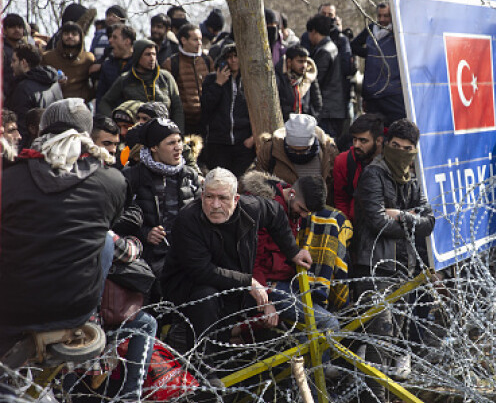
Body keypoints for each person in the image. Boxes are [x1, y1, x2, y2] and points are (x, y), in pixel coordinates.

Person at [160, 167, 312, 382]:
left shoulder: (251, 208)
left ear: (236, 199)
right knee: (207, 296)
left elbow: (277, 215)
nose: (215, 205)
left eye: (222, 198)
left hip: (233, 286)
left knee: (272, 321)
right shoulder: (189, 220)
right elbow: (202, 270)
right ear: (201, 195)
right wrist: (248, 282)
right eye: (209, 197)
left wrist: (293, 251)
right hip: (190, 289)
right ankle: (205, 368)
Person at [0, 99, 126, 357]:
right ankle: (93, 320)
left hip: (13, 306)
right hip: (76, 307)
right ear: (86, 134)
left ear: (42, 131)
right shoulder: (112, 180)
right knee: (104, 241)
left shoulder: (9, 178)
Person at [352, 118, 435, 401]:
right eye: (395, 146)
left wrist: (400, 215)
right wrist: (413, 220)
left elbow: (430, 222)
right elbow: (376, 222)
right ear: (386, 145)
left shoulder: (412, 178)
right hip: (373, 267)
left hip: (403, 267)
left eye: (407, 148)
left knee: (391, 339)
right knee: (380, 337)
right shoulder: (373, 175)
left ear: (414, 150)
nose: (400, 151)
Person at [241, 173, 341, 339]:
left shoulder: (291, 205)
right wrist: (266, 301)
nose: (303, 216)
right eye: (302, 210)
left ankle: (308, 366)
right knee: (329, 323)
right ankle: (324, 366)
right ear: (292, 193)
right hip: (266, 286)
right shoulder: (263, 208)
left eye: (308, 213)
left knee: (306, 337)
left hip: (286, 281)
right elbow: (251, 259)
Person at [123, 118, 201, 302]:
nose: (178, 147)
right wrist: (145, 233)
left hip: (185, 255)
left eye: (179, 141)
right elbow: (116, 219)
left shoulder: (190, 176)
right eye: (171, 143)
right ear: (154, 148)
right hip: (145, 258)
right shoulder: (131, 177)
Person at [98, 39, 185, 131]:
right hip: (136, 134)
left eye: (154, 54)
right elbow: (105, 102)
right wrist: (115, 122)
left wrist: (178, 132)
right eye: (147, 54)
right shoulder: (125, 79)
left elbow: (177, 107)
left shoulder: (166, 77)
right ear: (138, 56)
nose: (152, 58)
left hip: (163, 133)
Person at [201, 43, 255, 176]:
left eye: (236, 56)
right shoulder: (212, 79)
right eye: (229, 57)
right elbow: (206, 107)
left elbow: (260, 111)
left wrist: (253, 138)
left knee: (240, 184)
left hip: (243, 143)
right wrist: (218, 84)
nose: (233, 60)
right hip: (219, 142)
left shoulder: (251, 80)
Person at [256, 113, 338, 197]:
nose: (298, 154)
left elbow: (336, 184)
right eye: (292, 150)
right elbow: (257, 178)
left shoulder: (328, 151)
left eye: (304, 151)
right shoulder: (271, 149)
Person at [351, 3, 404, 125]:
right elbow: (354, 45)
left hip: (393, 93)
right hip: (372, 93)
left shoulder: (397, 32)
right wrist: (370, 54)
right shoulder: (371, 29)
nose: (382, 20)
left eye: (386, 16)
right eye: (379, 16)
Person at [7, 44, 63, 147]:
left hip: (33, 149)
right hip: (54, 146)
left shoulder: (23, 88)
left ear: (23, 63)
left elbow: (21, 126)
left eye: (14, 61)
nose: (11, 65)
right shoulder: (54, 84)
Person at [162, 23, 213, 135]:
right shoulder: (171, 63)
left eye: (200, 39)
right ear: (184, 40)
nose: (199, 43)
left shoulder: (207, 60)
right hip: (183, 125)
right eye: (195, 39)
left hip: (207, 124)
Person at [301, 4, 354, 108]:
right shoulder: (325, 46)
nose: (326, 18)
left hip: (328, 105)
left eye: (330, 15)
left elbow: (317, 78)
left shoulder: (327, 49)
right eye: (323, 14)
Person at [333, 113, 384, 220]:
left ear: (379, 141)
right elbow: (341, 198)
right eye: (354, 139)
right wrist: (347, 226)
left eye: (363, 141)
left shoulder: (390, 162)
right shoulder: (343, 161)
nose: (356, 145)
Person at [306, 14, 345, 138]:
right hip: (335, 109)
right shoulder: (332, 47)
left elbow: (317, 79)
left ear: (314, 32)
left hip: (327, 111)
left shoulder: (324, 51)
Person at [41, 21, 96, 102]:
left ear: (80, 38)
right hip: (54, 103)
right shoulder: (48, 57)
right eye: (66, 34)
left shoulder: (88, 58)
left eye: (74, 34)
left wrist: (87, 95)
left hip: (80, 104)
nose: (70, 36)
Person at [276, 45, 322, 121]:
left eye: (305, 61)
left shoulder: (309, 76)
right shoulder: (279, 78)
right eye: (300, 61)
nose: (304, 65)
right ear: (289, 62)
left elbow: (317, 104)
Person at [95, 24, 136, 103]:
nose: (110, 40)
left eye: (115, 37)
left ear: (127, 41)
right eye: (110, 37)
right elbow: (100, 97)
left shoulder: (138, 64)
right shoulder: (107, 66)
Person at [3, 14, 28, 99]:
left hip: (23, 96)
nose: (17, 30)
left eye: (20, 27)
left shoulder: (27, 49)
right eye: (12, 27)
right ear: (4, 30)